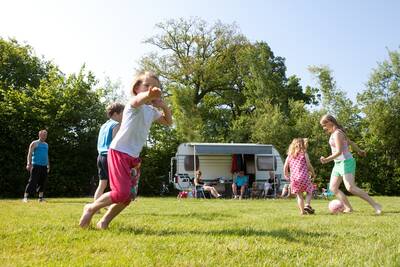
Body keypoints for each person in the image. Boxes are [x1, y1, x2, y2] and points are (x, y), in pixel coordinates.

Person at [79, 71, 172, 229]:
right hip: (119, 152)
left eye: (156, 87)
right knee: (120, 193)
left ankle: (104, 221)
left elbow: (168, 122)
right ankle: (90, 208)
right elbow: (139, 99)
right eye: (147, 85)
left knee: (129, 196)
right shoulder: (133, 104)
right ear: (137, 88)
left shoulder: (152, 111)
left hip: (133, 157)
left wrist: (163, 106)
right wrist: (149, 94)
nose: (152, 89)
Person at [319, 114, 382, 215]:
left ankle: (376, 205)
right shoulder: (335, 133)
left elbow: (339, 151)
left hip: (346, 162)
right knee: (332, 188)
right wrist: (359, 151)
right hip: (338, 163)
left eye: (324, 125)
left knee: (350, 187)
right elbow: (350, 142)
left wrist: (326, 159)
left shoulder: (337, 133)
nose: (323, 128)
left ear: (330, 122)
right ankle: (348, 208)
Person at [94, 102, 125, 202]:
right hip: (109, 157)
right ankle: (111, 206)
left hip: (100, 157)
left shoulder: (103, 125)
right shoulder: (116, 124)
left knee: (102, 183)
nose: (124, 116)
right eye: (122, 113)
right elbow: (115, 142)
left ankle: (96, 206)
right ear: (115, 114)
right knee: (115, 184)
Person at [283, 138, 316, 215]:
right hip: (304, 176)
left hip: (294, 178)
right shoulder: (304, 154)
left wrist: (286, 174)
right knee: (309, 191)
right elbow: (308, 165)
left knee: (299, 195)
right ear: (302, 145)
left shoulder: (289, 156)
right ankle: (307, 205)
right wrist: (313, 173)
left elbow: (285, 166)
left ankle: (302, 212)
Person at [23, 129, 50, 202]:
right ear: (39, 135)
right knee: (32, 181)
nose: (45, 136)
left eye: (46, 135)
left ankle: (40, 198)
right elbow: (30, 153)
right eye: (43, 135)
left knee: (42, 182)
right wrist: (28, 163)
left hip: (44, 166)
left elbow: (46, 155)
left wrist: (48, 165)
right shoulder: (34, 143)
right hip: (35, 165)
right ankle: (25, 197)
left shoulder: (46, 144)